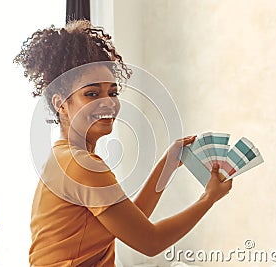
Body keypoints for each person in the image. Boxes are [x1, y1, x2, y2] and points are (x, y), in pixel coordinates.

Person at [14, 20, 232, 267]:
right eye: (92, 93)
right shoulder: (80, 164)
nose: (107, 102)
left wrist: (169, 163)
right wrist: (208, 198)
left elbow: (133, 222)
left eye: (113, 92)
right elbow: (151, 242)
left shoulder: (65, 157)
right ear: (60, 103)